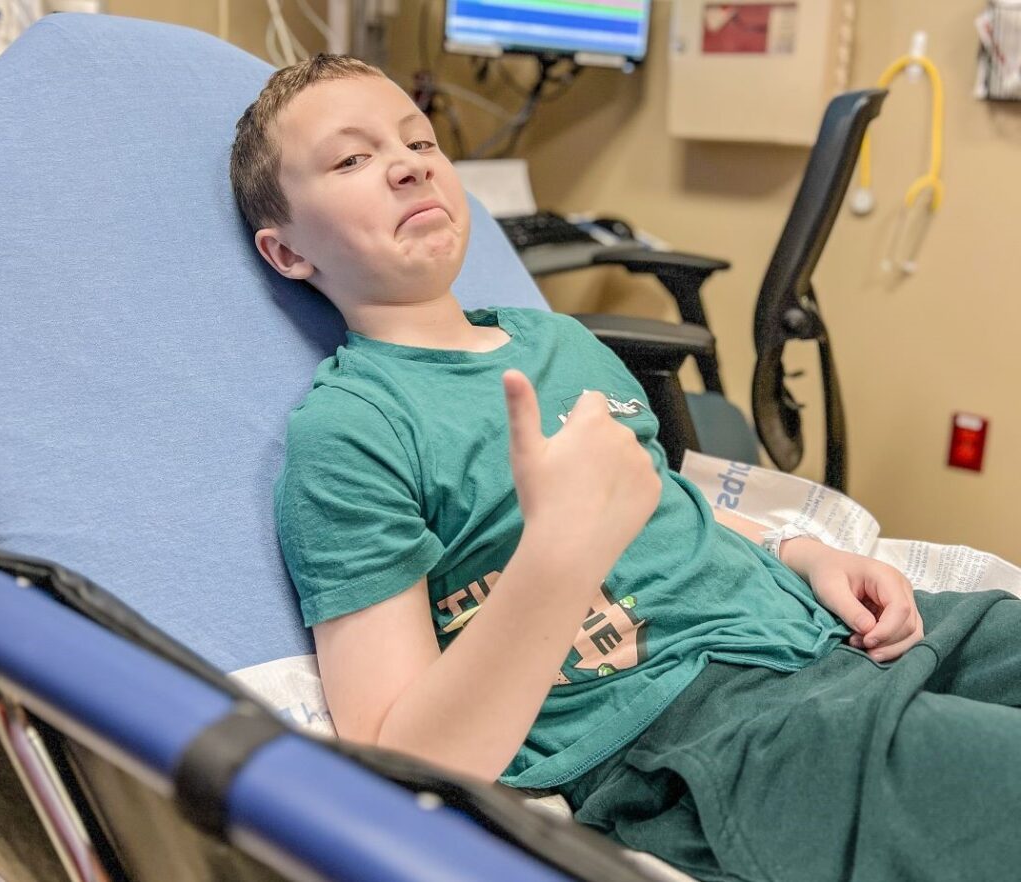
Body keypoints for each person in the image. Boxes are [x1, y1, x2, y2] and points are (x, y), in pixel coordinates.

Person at [229, 54, 1021, 882]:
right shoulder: (353, 431)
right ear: (288, 254)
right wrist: (559, 553)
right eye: (352, 159)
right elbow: (398, 762)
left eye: (420, 139)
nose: (408, 163)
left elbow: (667, 507)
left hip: (829, 637)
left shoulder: (561, 343)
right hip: (712, 727)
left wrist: (803, 554)